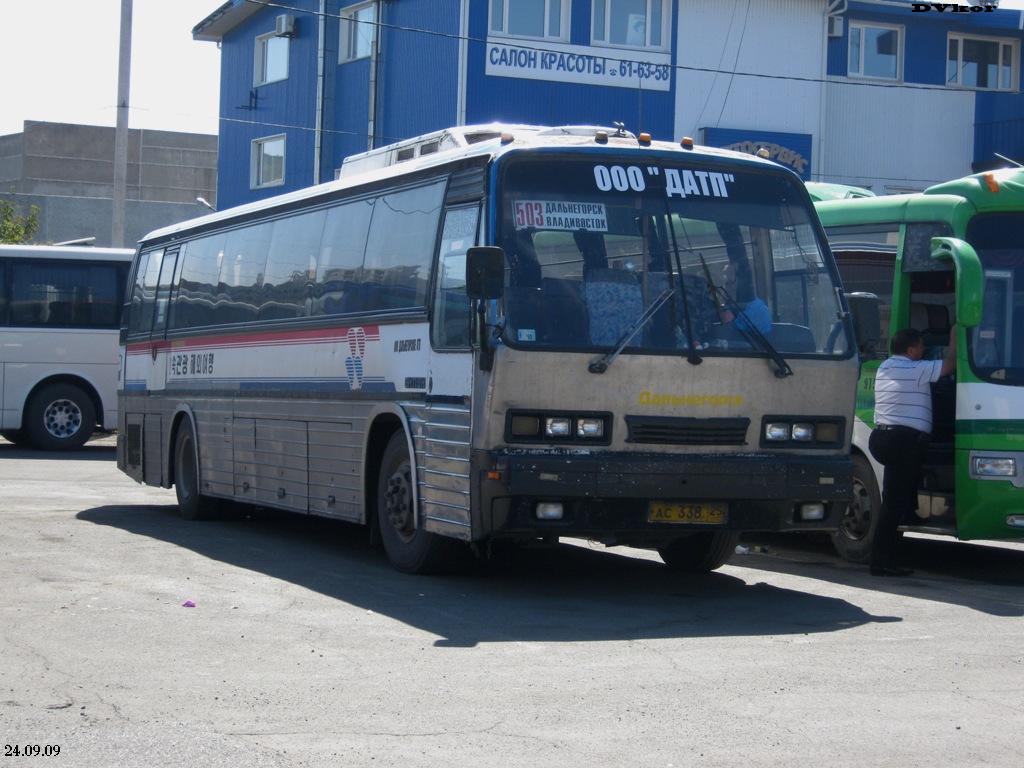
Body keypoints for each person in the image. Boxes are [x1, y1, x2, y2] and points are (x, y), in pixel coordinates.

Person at [867, 326, 957, 576]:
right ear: (910, 350)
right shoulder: (915, 369)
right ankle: (881, 563)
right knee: (892, 504)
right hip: (901, 441)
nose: (924, 350)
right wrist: (954, 337)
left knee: (897, 496)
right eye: (920, 346)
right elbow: (949, 365)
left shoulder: (886, 367)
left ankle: (910, 517)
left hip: (884, 437)